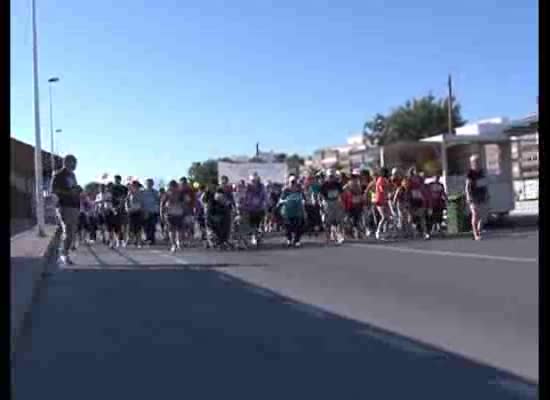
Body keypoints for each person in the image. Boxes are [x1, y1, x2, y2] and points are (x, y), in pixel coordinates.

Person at [51, 155, 80, 265]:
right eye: (74, 163)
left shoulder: (72, 175)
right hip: (64, 206)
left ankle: (64, 252)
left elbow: (74, 188)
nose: (76, 165)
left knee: (71, 232)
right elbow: (53, 191)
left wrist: (78, 191)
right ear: (67, 162)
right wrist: (69, 193)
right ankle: (64, 255)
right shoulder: (58, 175)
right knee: (67, 231)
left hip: (74, 206)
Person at [465, 154, 490, 240]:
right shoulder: (470, 173)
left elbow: (484, 184)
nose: (477, 163)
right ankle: (476, 234)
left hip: (481, 195)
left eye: (478, 161)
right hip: (473, 196)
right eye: (475, 162)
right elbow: (467, 186)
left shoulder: (482, 172)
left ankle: (478, 230)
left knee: (483, 216)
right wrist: (468, 196)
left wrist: (487, 194)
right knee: (475, 215)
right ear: (472, 163)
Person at [279, 175, 307, 248]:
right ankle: (289, 239)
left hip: (298, 211)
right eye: (292, 182)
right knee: (288, 227)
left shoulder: (299, 190)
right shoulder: (285, 190)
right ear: (289, 182)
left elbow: (304, 199)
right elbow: (280, 200)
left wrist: (303, 202)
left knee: (299, 226)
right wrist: (287, 200)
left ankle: (297, 240)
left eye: (294, 182)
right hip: (288, 211)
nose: (293, 184)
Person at [320, 169, 345, 244]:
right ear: (327, 176)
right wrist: (323, 203)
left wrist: (341, 203)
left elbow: (341, 193)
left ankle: (339, 236)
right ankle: (329, 236)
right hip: (328, 202)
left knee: (338, 220)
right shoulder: (324, 185)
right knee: (329, 221)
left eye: (332, 176)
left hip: (336, 202)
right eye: (330, 176)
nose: (331, 178)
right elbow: (322, 195)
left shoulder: (337, 184)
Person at [243, 173, 267, 247]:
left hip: (260, 208)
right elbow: (244, 196)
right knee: (253, 224)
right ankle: (254, 237)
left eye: (254, 180)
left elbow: (265, 196)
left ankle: (258, 236)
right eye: (252, 180)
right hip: (251, 209)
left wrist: (265, 203)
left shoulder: (261, 187)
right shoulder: (248, 187)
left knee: (259, 224)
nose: (253, 182)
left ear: (257, 180)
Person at [161, 180, 184, 252]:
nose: (173, 188)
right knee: (172, 230)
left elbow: (186, 202)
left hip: (179, 213)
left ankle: (178, 242)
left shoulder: (181, 194)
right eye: (172, 186)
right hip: (170, 213)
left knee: (178, 229)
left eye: (175, 186)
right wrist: (161, 213)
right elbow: (162, 204)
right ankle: (173, 244)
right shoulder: (167, 194)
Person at [407, 167, 430, 240]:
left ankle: (425, 232)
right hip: (412, 199)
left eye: (417, 171)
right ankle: (413, 231)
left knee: (422, 216)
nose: (416, 172)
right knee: (411, 217)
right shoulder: (409, 179)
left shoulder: (420, 179)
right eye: (414, 171)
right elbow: (407, 189)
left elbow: (423, 185)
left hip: (419, 198)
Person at [342, 170, 365, 239]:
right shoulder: (349, 185)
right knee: (351, 218)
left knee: (357, 218)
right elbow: (344, 191)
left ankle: (357, 233)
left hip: (357, 203)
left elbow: (360, 193)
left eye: (356, 177)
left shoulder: (358, 184)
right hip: (351, 204)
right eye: (354, 177)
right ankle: (350, 232)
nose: (355, 178)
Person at [110, 175, 129, 246]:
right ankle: (117, 240)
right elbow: (111, 198)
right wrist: (113, 207)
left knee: (123, 225)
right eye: (115, 179)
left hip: (123, 208)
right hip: (115, 208)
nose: (116, 180)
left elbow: (125, 197)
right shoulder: (112, 188)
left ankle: (123, 240)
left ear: (120, 180)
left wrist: (121, 201)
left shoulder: (124, 188)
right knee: (116, 225)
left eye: (117, 179)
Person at [126, 180, 145, 248]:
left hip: (139, 211)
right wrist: (127, 208)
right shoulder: (130, 193)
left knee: (139, 227)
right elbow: (127, 201)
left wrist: (143, 210)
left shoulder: (141, 193)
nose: (135, 186)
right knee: (131, 227)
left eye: (136, 185)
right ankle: (130, 239)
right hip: (131, 211)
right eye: (133, 185)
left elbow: (143, 203)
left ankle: (139, 241)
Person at [374, 167, 392, 240]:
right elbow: (382, 189)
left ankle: (385, 232)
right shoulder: (381, 179)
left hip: (385, 200)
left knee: (387, 217)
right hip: (379, 200)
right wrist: (387, 192)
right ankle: (378, 231)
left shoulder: (385, 180)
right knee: (384, 217)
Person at [142, 178, 160, 245]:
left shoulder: (155, 192)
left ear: (152, 184)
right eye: (148, 183)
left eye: (150, 183)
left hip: (153, 211)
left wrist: (158, 210)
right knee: (146, 226)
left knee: (152, 226)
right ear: (146, 184)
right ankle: (147, 238)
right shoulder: (143, 192)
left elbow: (158, 201)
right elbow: (141, 201)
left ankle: (152, 239)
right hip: (145, 211)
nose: (149, 184)